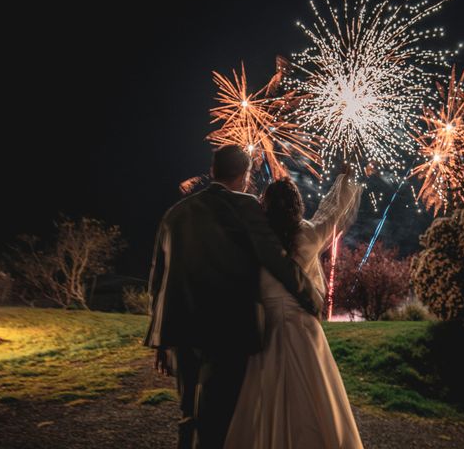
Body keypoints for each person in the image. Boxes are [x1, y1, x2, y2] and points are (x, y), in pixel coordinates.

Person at [144, 144, 323, 449]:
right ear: (244, 175)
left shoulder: (174, 214)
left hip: (182, 331)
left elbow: (157, 279)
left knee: (188, 414)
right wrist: (310, 297)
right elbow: (275, 258)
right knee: (217, 416)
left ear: (212, 170)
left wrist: (160, 339)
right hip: (227, 328)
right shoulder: (245, 206)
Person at [224, 166, 364, 449]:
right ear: (297, 204)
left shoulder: (259, 238)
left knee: (265, 395)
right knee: (314, 395)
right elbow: (333, 210)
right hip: (303, 326)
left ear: (266, 204)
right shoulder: (310, 234)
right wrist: (344, 180)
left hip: (268, 325)